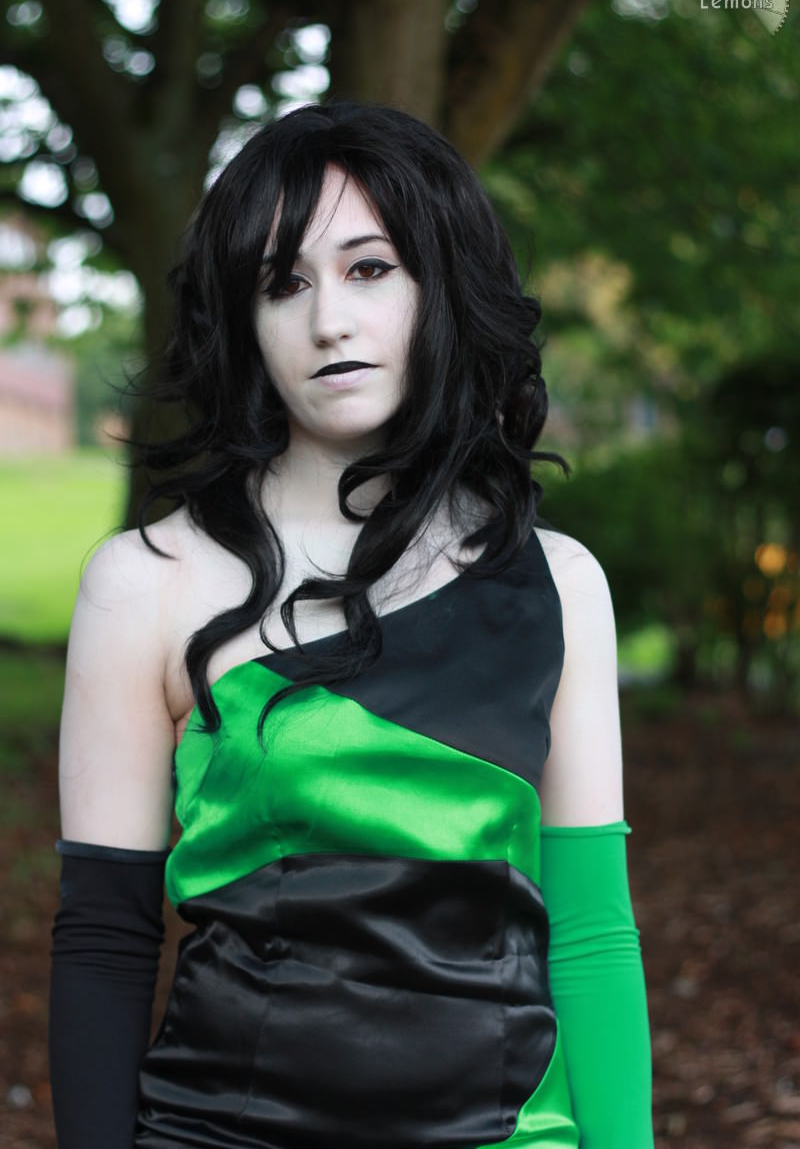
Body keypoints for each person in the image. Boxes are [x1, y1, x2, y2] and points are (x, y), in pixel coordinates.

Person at [49, 101, 653, 1148]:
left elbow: (593, 934)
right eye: (283, 284)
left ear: (438, 286)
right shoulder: (142, 584)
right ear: (244, 321)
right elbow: (105, 941)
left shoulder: (561, 584)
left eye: (369, 268)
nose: (328, 319)